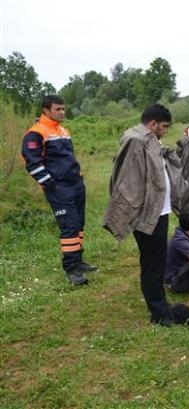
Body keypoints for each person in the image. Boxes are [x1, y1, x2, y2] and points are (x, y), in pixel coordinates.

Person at [103, 104, 180, 326]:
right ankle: (159, 313)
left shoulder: (149, 139)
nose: (165, 130)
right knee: (153, 263)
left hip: (159, 211)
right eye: (164, 126)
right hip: (148, 214)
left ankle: (160, 303)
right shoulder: (136, 140)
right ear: (153, 123)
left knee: (158, 259)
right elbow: (126, 179)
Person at [21, 95, 97, 286]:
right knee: (69, 226)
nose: (62, 112)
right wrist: (52, 185)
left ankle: (78, 262)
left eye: (63, 109)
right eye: (58, 109)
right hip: (59, 188)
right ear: (46, 110)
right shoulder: (36, 132)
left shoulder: (63, 130)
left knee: (79, 224)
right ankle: (71, 269)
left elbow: (67, 158)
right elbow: (32, 164)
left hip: (76, 184)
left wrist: (79, 176)